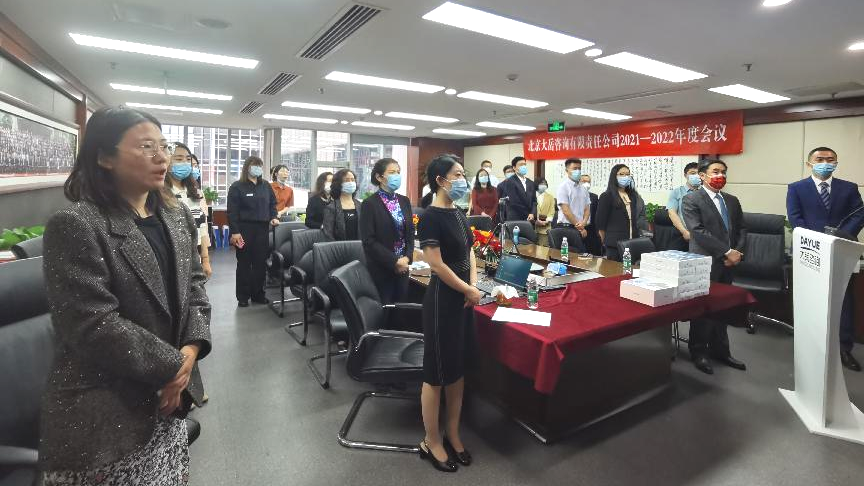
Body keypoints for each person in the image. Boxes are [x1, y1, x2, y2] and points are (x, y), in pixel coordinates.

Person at [41, 107, 211, 485]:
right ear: (105, 157)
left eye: (164, 146)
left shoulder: (176, 216)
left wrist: (191, 351)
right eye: (146, 147)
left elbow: (195, 288)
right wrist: (174, 366)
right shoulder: (76, 224)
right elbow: (92, 324)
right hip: (106, 413)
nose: (162, 157)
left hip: (169, 400)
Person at [417, 154, 480, 473]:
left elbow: (470, 250)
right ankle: (431, 440)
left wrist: (473, 284)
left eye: (462, 174)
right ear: (440, 181)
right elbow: (436, 264)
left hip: (463, 300)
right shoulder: (430, 216)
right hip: (443, 301)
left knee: (457, 371)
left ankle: (453, 434)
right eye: (456, 175)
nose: (462, 180)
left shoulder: (458, 211)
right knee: (436, 374)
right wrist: (467, 289)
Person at [787, 147, 864, 371]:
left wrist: (838, 237)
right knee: (811, 299)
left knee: (843, 299)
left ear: (836, 163)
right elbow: (795, 218)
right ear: (809, 163)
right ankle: (813, 345)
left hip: (841, 249)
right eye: (820, 159)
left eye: (830, 159)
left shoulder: (849, 188)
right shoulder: (796, 188)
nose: (825, 163)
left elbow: (859, 214)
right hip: (810, 252)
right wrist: (818, 241)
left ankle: (844, 348)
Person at [682, 159, 748, 375]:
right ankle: (698, 351)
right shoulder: (691, 199)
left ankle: (721, 350)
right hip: (705, 261)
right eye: (716, 171)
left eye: (723, 172)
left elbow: (742, 229)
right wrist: (726, 252)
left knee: (723, 307)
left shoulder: (732, 200)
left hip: (729, 262)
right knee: (703, 308)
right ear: (702, 175)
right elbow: (697, 231)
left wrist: (737, 252)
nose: (721, 176)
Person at [359, 158, 414, 303]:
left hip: (404, 266)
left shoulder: (404, 201)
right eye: (392, 172)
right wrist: (395, 261)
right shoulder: (369, 204)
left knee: (402, 307)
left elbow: (409, 234)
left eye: (398, 172)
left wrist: (407, 258)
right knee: (385, 309)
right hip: (382, 267)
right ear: (379, 177)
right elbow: (369, 241)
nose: (397, 175)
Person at [227, 156, 279, 307]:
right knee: (244, 263)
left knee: (260, 263)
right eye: (255, 165)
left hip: (262, 229)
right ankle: (243, 296)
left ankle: (258, 294)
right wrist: (235, 232)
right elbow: (232, 211)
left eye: (260, 166)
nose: (258, 168)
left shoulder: (265, 185)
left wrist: (273, 216)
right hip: (244, 229)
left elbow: (272, 204)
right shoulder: (237, 186)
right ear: (247, 168)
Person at [166, 142, 212, 278]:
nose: (185, 163)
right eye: (178, 159)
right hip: (172, 255)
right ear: (167, 161)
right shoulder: (161, 192)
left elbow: (202, 227)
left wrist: (205, 259)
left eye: (188, 159)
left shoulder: (194, 192)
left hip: (194, 254)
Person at [595, 164, 647, 261]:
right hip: (614, 244)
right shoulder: (607, 196)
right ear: (614, 176)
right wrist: (606, 241)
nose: (625, 177)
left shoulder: (633, 196)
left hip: (632, 243)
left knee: (630, 269)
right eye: (621, 174)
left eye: (627, 174)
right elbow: (601, 224)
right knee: (614, 269)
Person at [555, 158, 591, 253]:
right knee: (568, 257)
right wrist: (579, 226)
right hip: (566, 227)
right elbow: (566, 211)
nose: (577, 171)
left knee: (581, 257)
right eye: (574, 168)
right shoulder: (563, 187)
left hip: (580, 228)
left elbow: (587, 209)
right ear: (567, 170)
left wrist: (584, 223)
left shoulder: (583, 189)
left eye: (579, 168)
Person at [322, 168, 361, 241]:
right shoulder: (331, 208)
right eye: (346, 180)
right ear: (338, 184)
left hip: (359, 246)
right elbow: (328, 234)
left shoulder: (361, 206)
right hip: (339, 247)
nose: (350, 183)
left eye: (353, 180)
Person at [667, 162, 701, 244]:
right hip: (681, 233)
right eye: (693, 173)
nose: (696, 176)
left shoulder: (704, 193)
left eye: (699, 173)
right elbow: (672, 213)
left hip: (701, 235)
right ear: (685, 175)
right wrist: (684, 231)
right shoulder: (677, 192)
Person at [496, 156, 536, 221]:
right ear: (514, 167)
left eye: (524, 164)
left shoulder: (530, 182)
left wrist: (532, 213)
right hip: (516, 217)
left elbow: (534, 201)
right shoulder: (510, 181)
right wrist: (528, 213)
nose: (523, 166)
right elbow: (514, 201)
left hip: (530, 218)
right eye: (521, 165)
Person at [579, 173, 602, 255]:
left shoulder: (594, 197)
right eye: (584, 181)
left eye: (588, 182)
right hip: (577, 229)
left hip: (591, 230)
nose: (587, 184)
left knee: (593, 254)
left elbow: (596, 214)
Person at [535, 177, 556, 245]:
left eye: (545, 183)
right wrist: (535, 221)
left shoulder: (550, 197)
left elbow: (551, 212)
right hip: (532, 228)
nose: (543, 185)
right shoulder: (531, 195)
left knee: (543, 250)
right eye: (541, 183)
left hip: (545, 229)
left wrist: (546, 221)